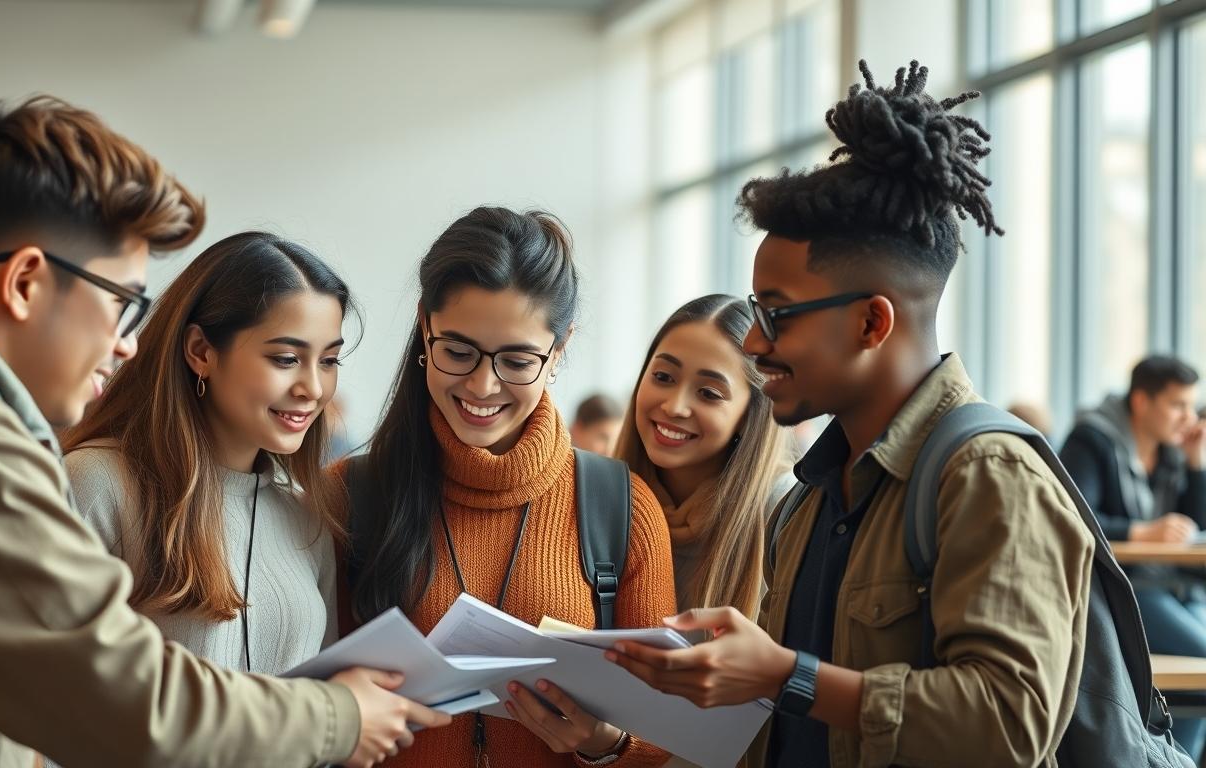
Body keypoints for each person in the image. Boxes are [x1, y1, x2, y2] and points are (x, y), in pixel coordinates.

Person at [0, 96, 445, 768]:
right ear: (25, 282)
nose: (127, 344)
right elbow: (124, 697)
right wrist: (338, 718)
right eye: (120, 303)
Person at [608, 60, 1093, 768]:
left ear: (871, 323)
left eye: (776, 314)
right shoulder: (810, 497)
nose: (753, 341)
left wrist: (783, 673)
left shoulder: (987, 474)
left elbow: (1010, 722)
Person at [337, 206, 676, 767]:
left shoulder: (620, 508)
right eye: (459, 351)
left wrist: (606, 741)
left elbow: (661, 731)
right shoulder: (351, 495)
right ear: (425, 326)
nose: (482, 384)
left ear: (559, 349)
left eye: (517, 360)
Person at [62, 231, 354, 677]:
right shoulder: (97, 485)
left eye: (329, 361)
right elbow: (45, 698)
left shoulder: (305, 513)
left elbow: (323, 701)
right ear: (201, 351)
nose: (313, 389)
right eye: (285, 359)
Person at [1060, 354, 1206, 758]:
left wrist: (1196, 465)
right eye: (1178, 405)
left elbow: (1194, 529)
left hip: (1169, 585)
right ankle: (1173, 760)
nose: (1187, 417)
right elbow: (1071, 516)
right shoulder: (1092, 441)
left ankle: (1170, 757)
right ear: (1142, 401)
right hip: (1118, 588)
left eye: (1191, 406)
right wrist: (1141, 531)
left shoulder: (1171, 452)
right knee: (1201, 656)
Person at [615, 294, 792, 623]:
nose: (674, 407)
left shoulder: (783, 511)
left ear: (748, 416)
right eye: (664, 377)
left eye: (709, 393)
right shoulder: (601, 495)